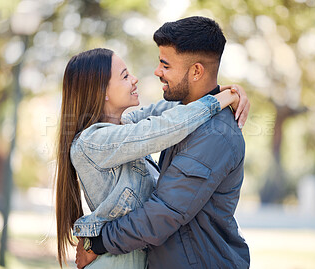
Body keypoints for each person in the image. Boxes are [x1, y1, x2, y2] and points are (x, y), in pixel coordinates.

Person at [75, 16, 251, 269]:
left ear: (196, 71)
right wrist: (226, 93)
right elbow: (160, 119)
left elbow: (164, 212)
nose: (157, 72)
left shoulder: (214, 134)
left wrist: (99, 242)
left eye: (165, 65)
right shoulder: (181, 115)